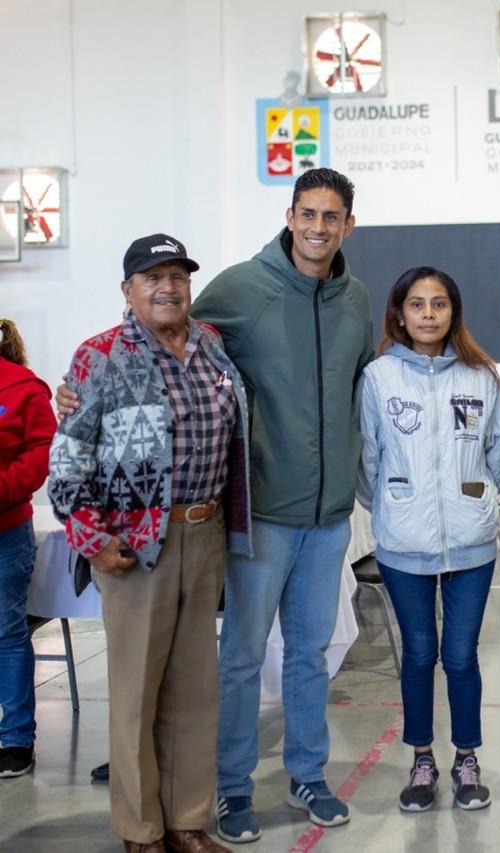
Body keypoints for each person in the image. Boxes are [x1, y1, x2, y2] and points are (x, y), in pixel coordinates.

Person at [59, 170, 375, 840]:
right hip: (252, 517)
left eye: (333, 216)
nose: (319, 227)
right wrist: (76, 389)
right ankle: (222, 793)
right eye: (308, 213)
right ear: (290, 216)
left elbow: (349, 391)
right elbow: (135, 345)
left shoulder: (349, 303)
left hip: (306, 519)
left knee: (301, 655)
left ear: (349, 224)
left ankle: (299, 777)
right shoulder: (238, 290)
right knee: (234, 658)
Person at [48, 234, 251, 853]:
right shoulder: (99, 357)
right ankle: (141, 830)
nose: (168, 287)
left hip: (204, 532)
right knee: (136, 694)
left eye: (178, 276)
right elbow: (66, 466)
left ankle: (187, 821)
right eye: (152, 277)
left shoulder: (212, 348)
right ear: (128, 291)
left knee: (195, 690)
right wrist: (93, 540)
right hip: (133, 548)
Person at [356, 267, 500, 814]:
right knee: (420, 653)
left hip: (471, 539)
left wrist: (483, 504)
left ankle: (466, 757)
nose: (428, 314)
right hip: (405, 543)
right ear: (399, 313)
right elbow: (368, 459)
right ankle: (422, 758)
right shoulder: (379, 377)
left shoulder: (480, 375)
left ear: (453, 311)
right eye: (417, 304)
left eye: (439, 304)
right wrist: (398, 508)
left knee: (462, 655)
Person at [0, 318, 55, 780]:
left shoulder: (22, 388)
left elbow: (40, 453)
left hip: (5, 533)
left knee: (6, 634)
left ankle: (16, 739)